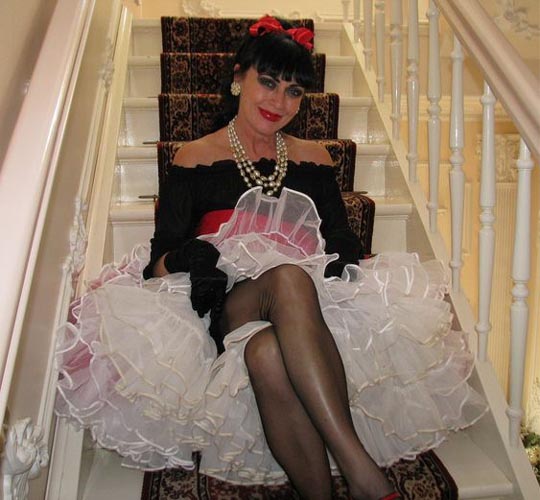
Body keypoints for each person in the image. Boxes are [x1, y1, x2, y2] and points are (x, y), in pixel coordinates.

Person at [55, 15, 487, 500]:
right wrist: (191, 257)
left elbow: (342, 240)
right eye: (268, 82)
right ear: (238, 78)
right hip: (226, 305)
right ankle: (363, 473)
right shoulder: (194, 158)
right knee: (285, 280)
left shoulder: (315, 159)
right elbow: (156, 265)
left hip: (307, 306)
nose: (279, 102)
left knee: (267, 352)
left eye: (294, 91)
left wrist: (334, 262)